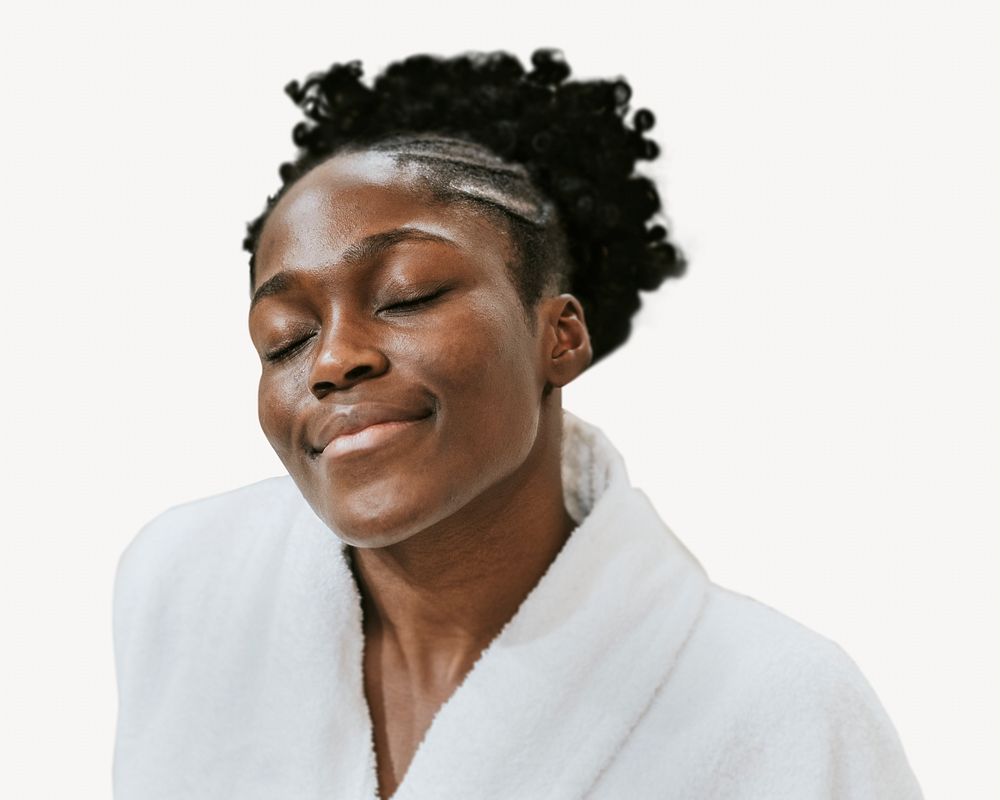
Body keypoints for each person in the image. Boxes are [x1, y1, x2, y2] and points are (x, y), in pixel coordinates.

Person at [112, 49, 923, 799]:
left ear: (560, 337)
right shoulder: (187, 594)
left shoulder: (780, 710)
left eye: (408, 295)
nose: (332, 361)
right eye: (283, 338)